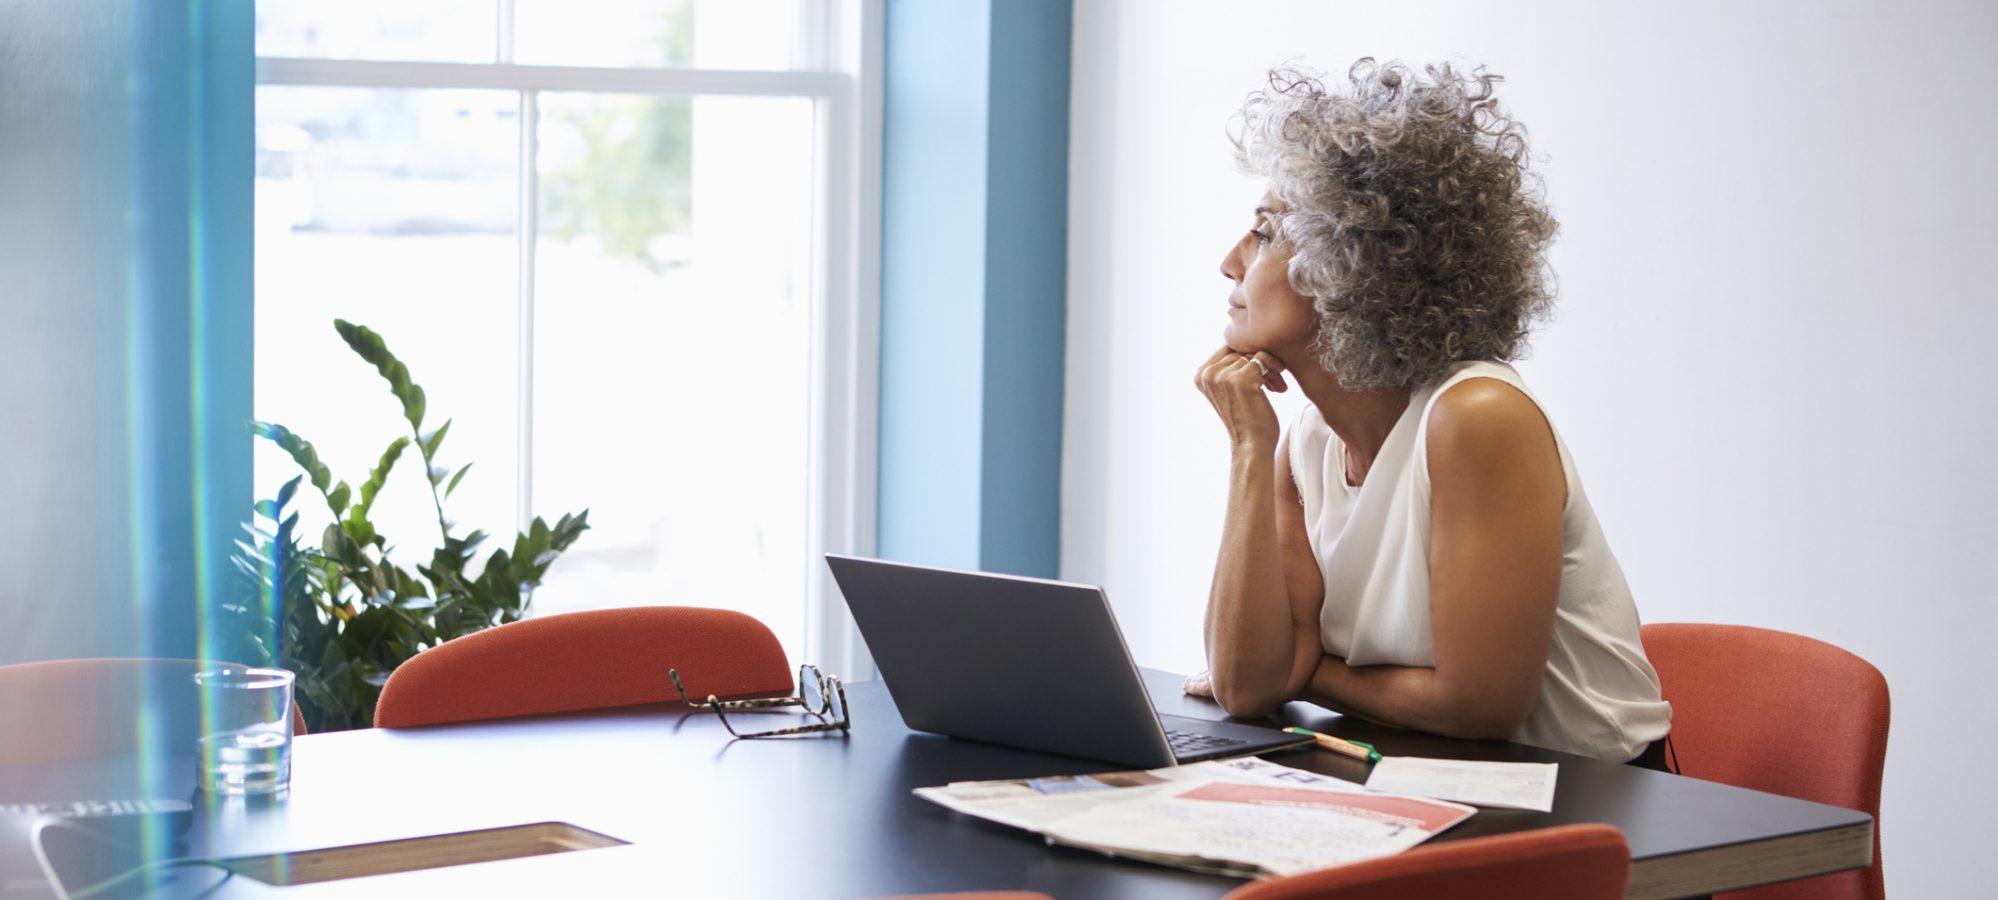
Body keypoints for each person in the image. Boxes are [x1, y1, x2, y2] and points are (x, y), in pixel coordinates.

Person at [1184, 60, 1671, 766]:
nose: (1231, 262)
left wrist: (1311, 672)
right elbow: (1245, 684)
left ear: (1350, 261)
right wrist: (1249, 449)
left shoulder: (1477, 418)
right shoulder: (1308, 439)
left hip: (1591, 808)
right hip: (1426, 781)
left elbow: (1479, 708)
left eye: (1264, 231)